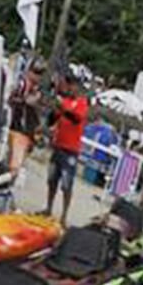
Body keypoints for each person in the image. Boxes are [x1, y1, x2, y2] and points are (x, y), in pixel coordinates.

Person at [44, 71, 90, 222]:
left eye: (72, 84)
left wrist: (62, 107)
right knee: (52, 180)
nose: (70, 87)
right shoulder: (65, 101)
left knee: (66, 184)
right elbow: (52, 120)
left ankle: (64, 215)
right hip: (58, 145)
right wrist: (55, 110)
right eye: (69, 84)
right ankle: (48, 208)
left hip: (71, 149)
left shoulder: (81, 102)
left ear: (78, 86)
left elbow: (77, 118)